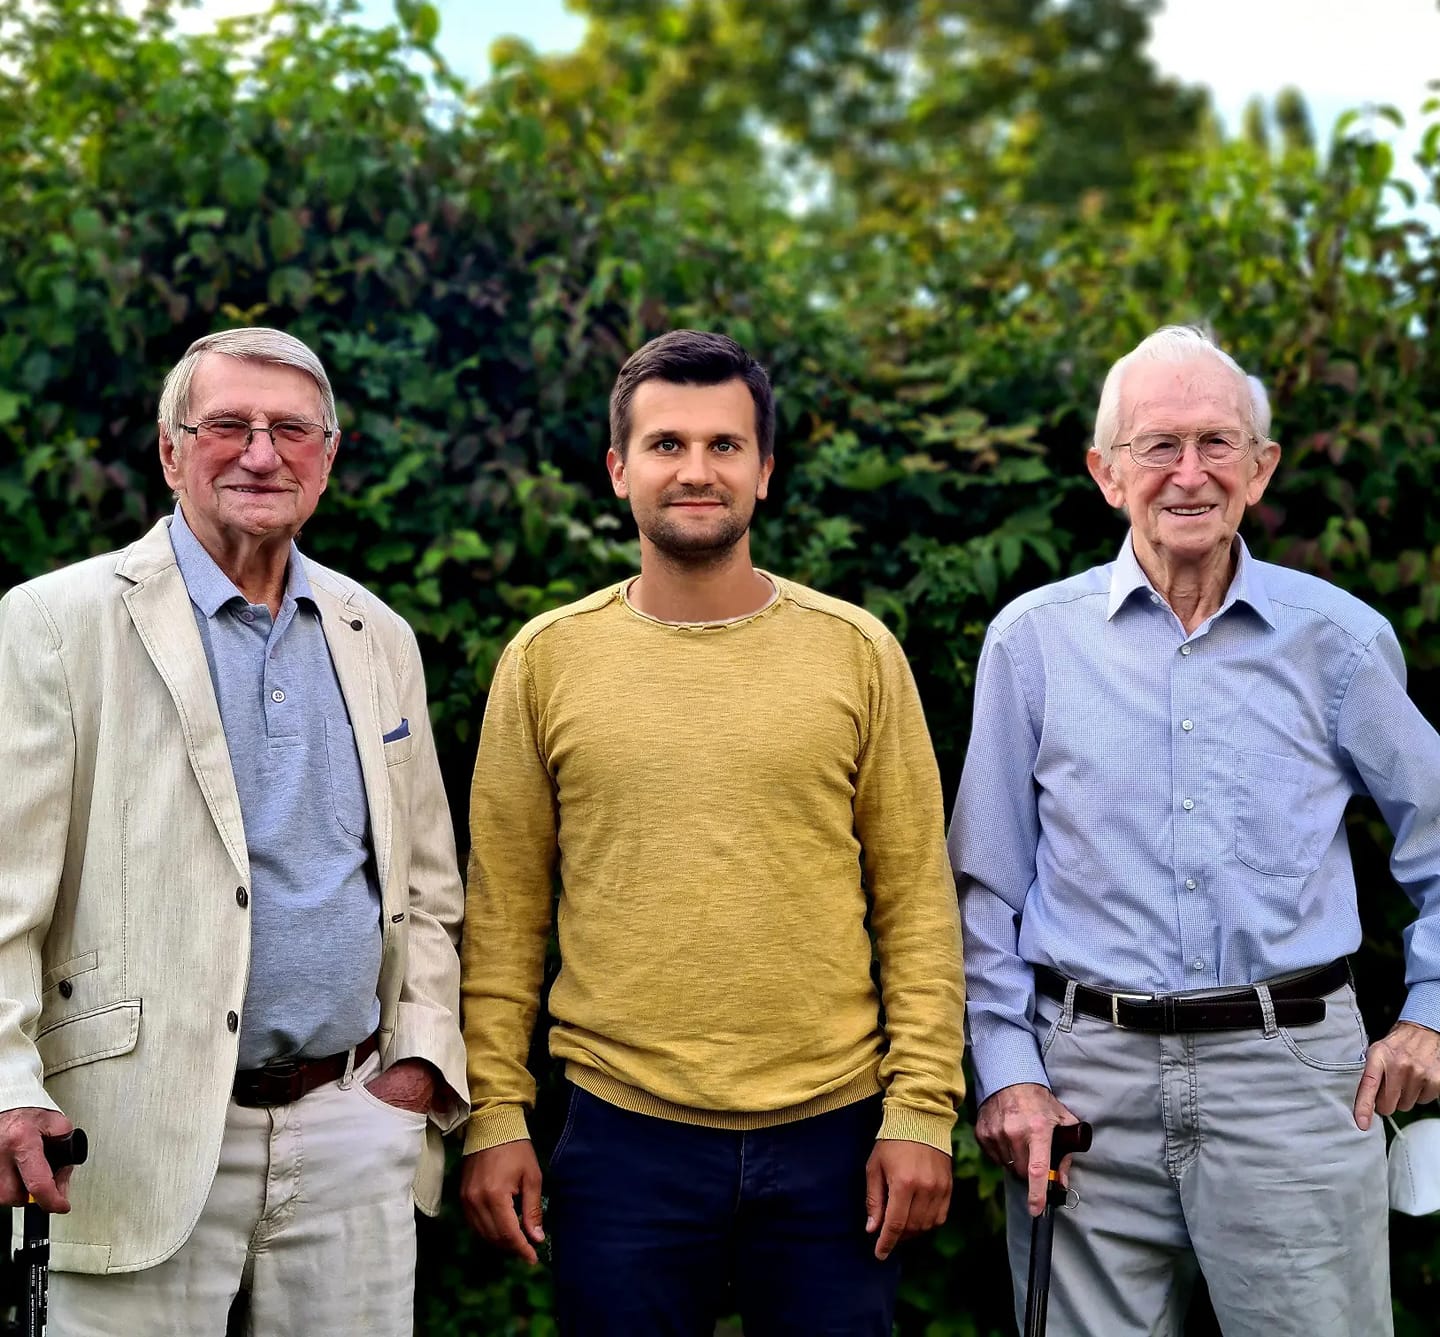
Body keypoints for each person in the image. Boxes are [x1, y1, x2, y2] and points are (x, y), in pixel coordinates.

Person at [459, 329, 965, 1334]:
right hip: (622, 1133)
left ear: (765, 469)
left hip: (834, 1134)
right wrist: (494, 1112)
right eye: (667, 444)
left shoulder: (857, 653)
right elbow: (503, 912)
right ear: (619, 469)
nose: (696, 470)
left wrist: (922, 1109)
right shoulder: (545, 660)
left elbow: (916, 900)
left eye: (725, 445)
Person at [950, 324, 1440, 1336]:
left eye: (1218, 442)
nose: (1189, 472)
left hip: (1292, 1083)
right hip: (1083, 1091)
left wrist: (1431, 1011)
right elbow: (982, 888)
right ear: (1106, 472)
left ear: (1259, 469)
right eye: (1157, 445)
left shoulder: (1340, 642)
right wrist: (1008, 1071)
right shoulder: (1031, 643)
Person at [0, 327, 468, 1336]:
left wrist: (418, 1066)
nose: (261, 453)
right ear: (171, 450)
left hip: (350, 1127)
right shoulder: (52, 624)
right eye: (229, 426)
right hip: (132, 1129)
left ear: (327, 458)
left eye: (291, 430)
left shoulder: (377, 633)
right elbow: (6, 895)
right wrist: (7, 1085)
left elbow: (427, 883)